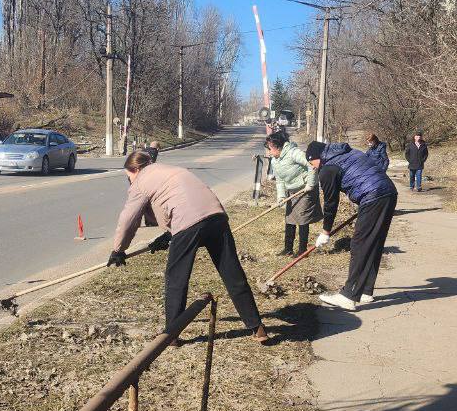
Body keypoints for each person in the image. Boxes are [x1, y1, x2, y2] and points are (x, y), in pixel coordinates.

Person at [108, 150, 270, 343]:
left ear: (135, 169)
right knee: (232, 273)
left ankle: (171, 336)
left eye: (129, 177)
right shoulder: (171, 171)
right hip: (216, 217)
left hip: (189, 223)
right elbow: (182, 202)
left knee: (176, 279)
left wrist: (118, 249)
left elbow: (129, 218)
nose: (130, 181)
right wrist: (169, 235)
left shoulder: (141, 181)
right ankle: (257, 327)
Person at [305, 140, 398, 311]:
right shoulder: (347, 153)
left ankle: (348, 295)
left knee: (359, 244)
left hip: (373, 195)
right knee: (374, 243)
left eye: (311, 163)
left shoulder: (327, 169)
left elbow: (331, 203)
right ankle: (365, 291)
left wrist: (326, 232)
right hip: (388, 191)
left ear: (317, 158)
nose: (312, 167)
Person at [264, 130, 321, 256]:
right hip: (292, 190)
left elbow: (312, 165)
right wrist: (281, 197)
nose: (269, 151)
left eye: (270, 148)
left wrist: (310, 184)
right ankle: (288, 249)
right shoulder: (275, 160)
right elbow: (279, 181)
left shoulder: (294, 153)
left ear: (277, 146)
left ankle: (302, 250)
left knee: (302, 218)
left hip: (306, 189)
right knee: (289, 218)